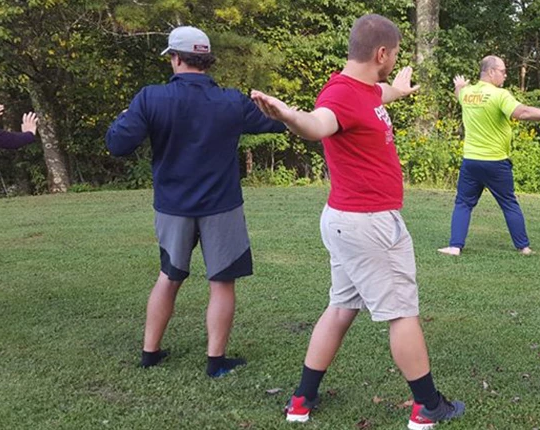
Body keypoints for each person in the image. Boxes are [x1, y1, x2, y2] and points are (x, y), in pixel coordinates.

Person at [249, 14, 465, 429]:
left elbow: (376, 94)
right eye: (395, 56)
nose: (394, 63)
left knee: (341, 307)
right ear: (381, 53)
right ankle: (428, 407)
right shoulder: (341, 96)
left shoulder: (362, 90)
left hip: (346, 221)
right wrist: (291, 117)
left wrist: (397, 91)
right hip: (369, 224)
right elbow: (320, 123)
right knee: (401, 313)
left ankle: (301, 401)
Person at [105, 26, 287, 377]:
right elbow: (280, 123)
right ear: (206, 60)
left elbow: (118, 144)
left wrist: (125, 115)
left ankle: (150, 352)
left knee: (169, 276)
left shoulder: (150, 98)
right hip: (222, 206)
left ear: (175, 58)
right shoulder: (232, 101)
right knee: (221, 282)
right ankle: (215, 362)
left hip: (173, 206)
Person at [437, 56, 540, 257]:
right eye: (503, 71)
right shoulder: (499, 95)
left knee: (463, 203)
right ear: (491, 72)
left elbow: (459, 93)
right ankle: (524, 247)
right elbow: (522, 113)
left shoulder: (468, 93)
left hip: (471, 161)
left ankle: (455, 247)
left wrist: (459, 85)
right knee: (508, 203)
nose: (505, 75)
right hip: (495, 162)